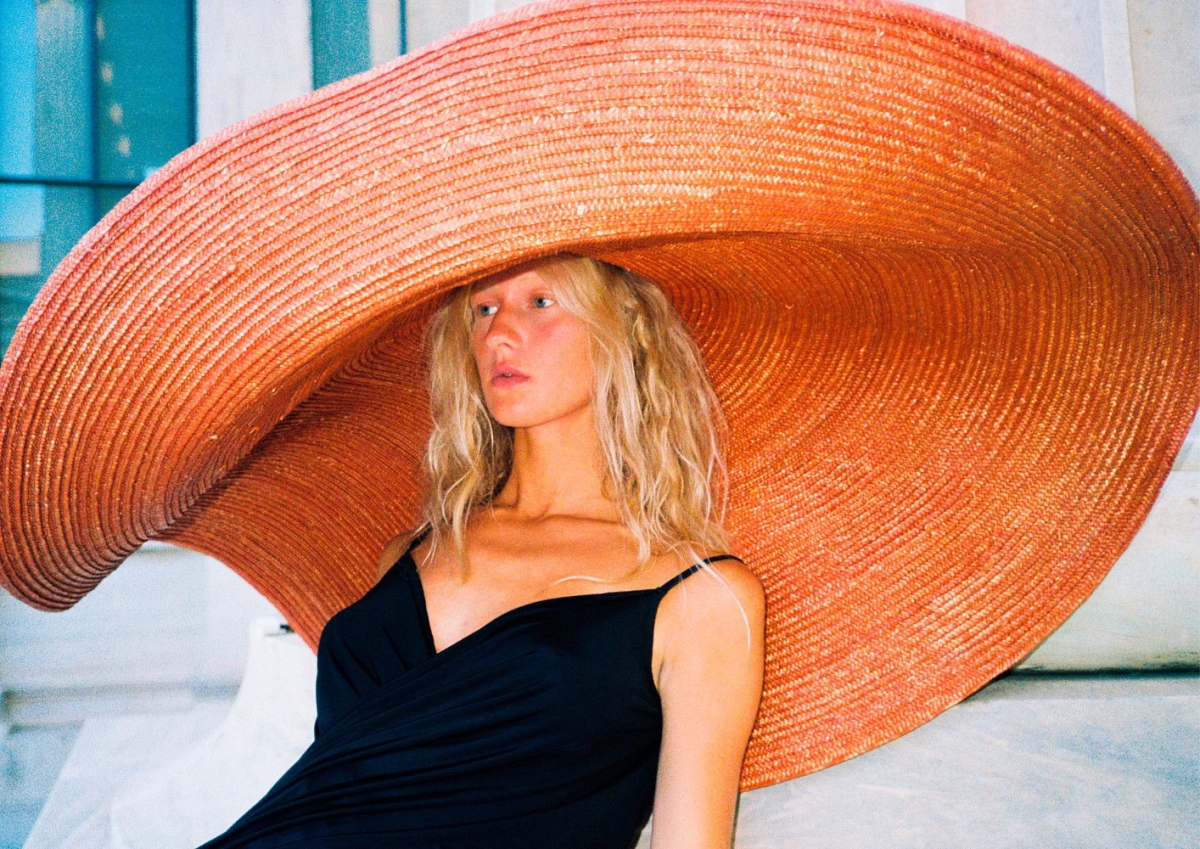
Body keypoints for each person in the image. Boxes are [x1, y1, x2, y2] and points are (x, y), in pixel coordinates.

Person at [200, 254, 766, 848]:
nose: (498, 334)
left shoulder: (701, 598)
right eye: (484, 308)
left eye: (540, 302)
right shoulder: (412, 553)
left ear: (626, 327)